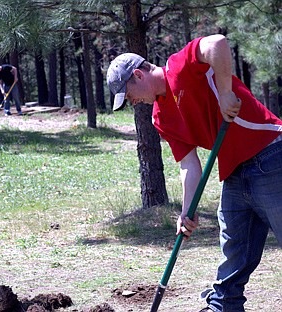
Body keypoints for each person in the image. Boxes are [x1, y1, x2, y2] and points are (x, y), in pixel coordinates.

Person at [107, 34, 282, 312]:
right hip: (235, 172)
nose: (133, 102)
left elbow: (218, 43)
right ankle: (223, 308)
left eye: (129, 95)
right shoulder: (159, 117)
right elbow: (188, 165)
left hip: (271, 157)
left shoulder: (180, 66)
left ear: (138, 75)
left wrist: (225, 93)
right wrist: (187, 213)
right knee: (235, 250)